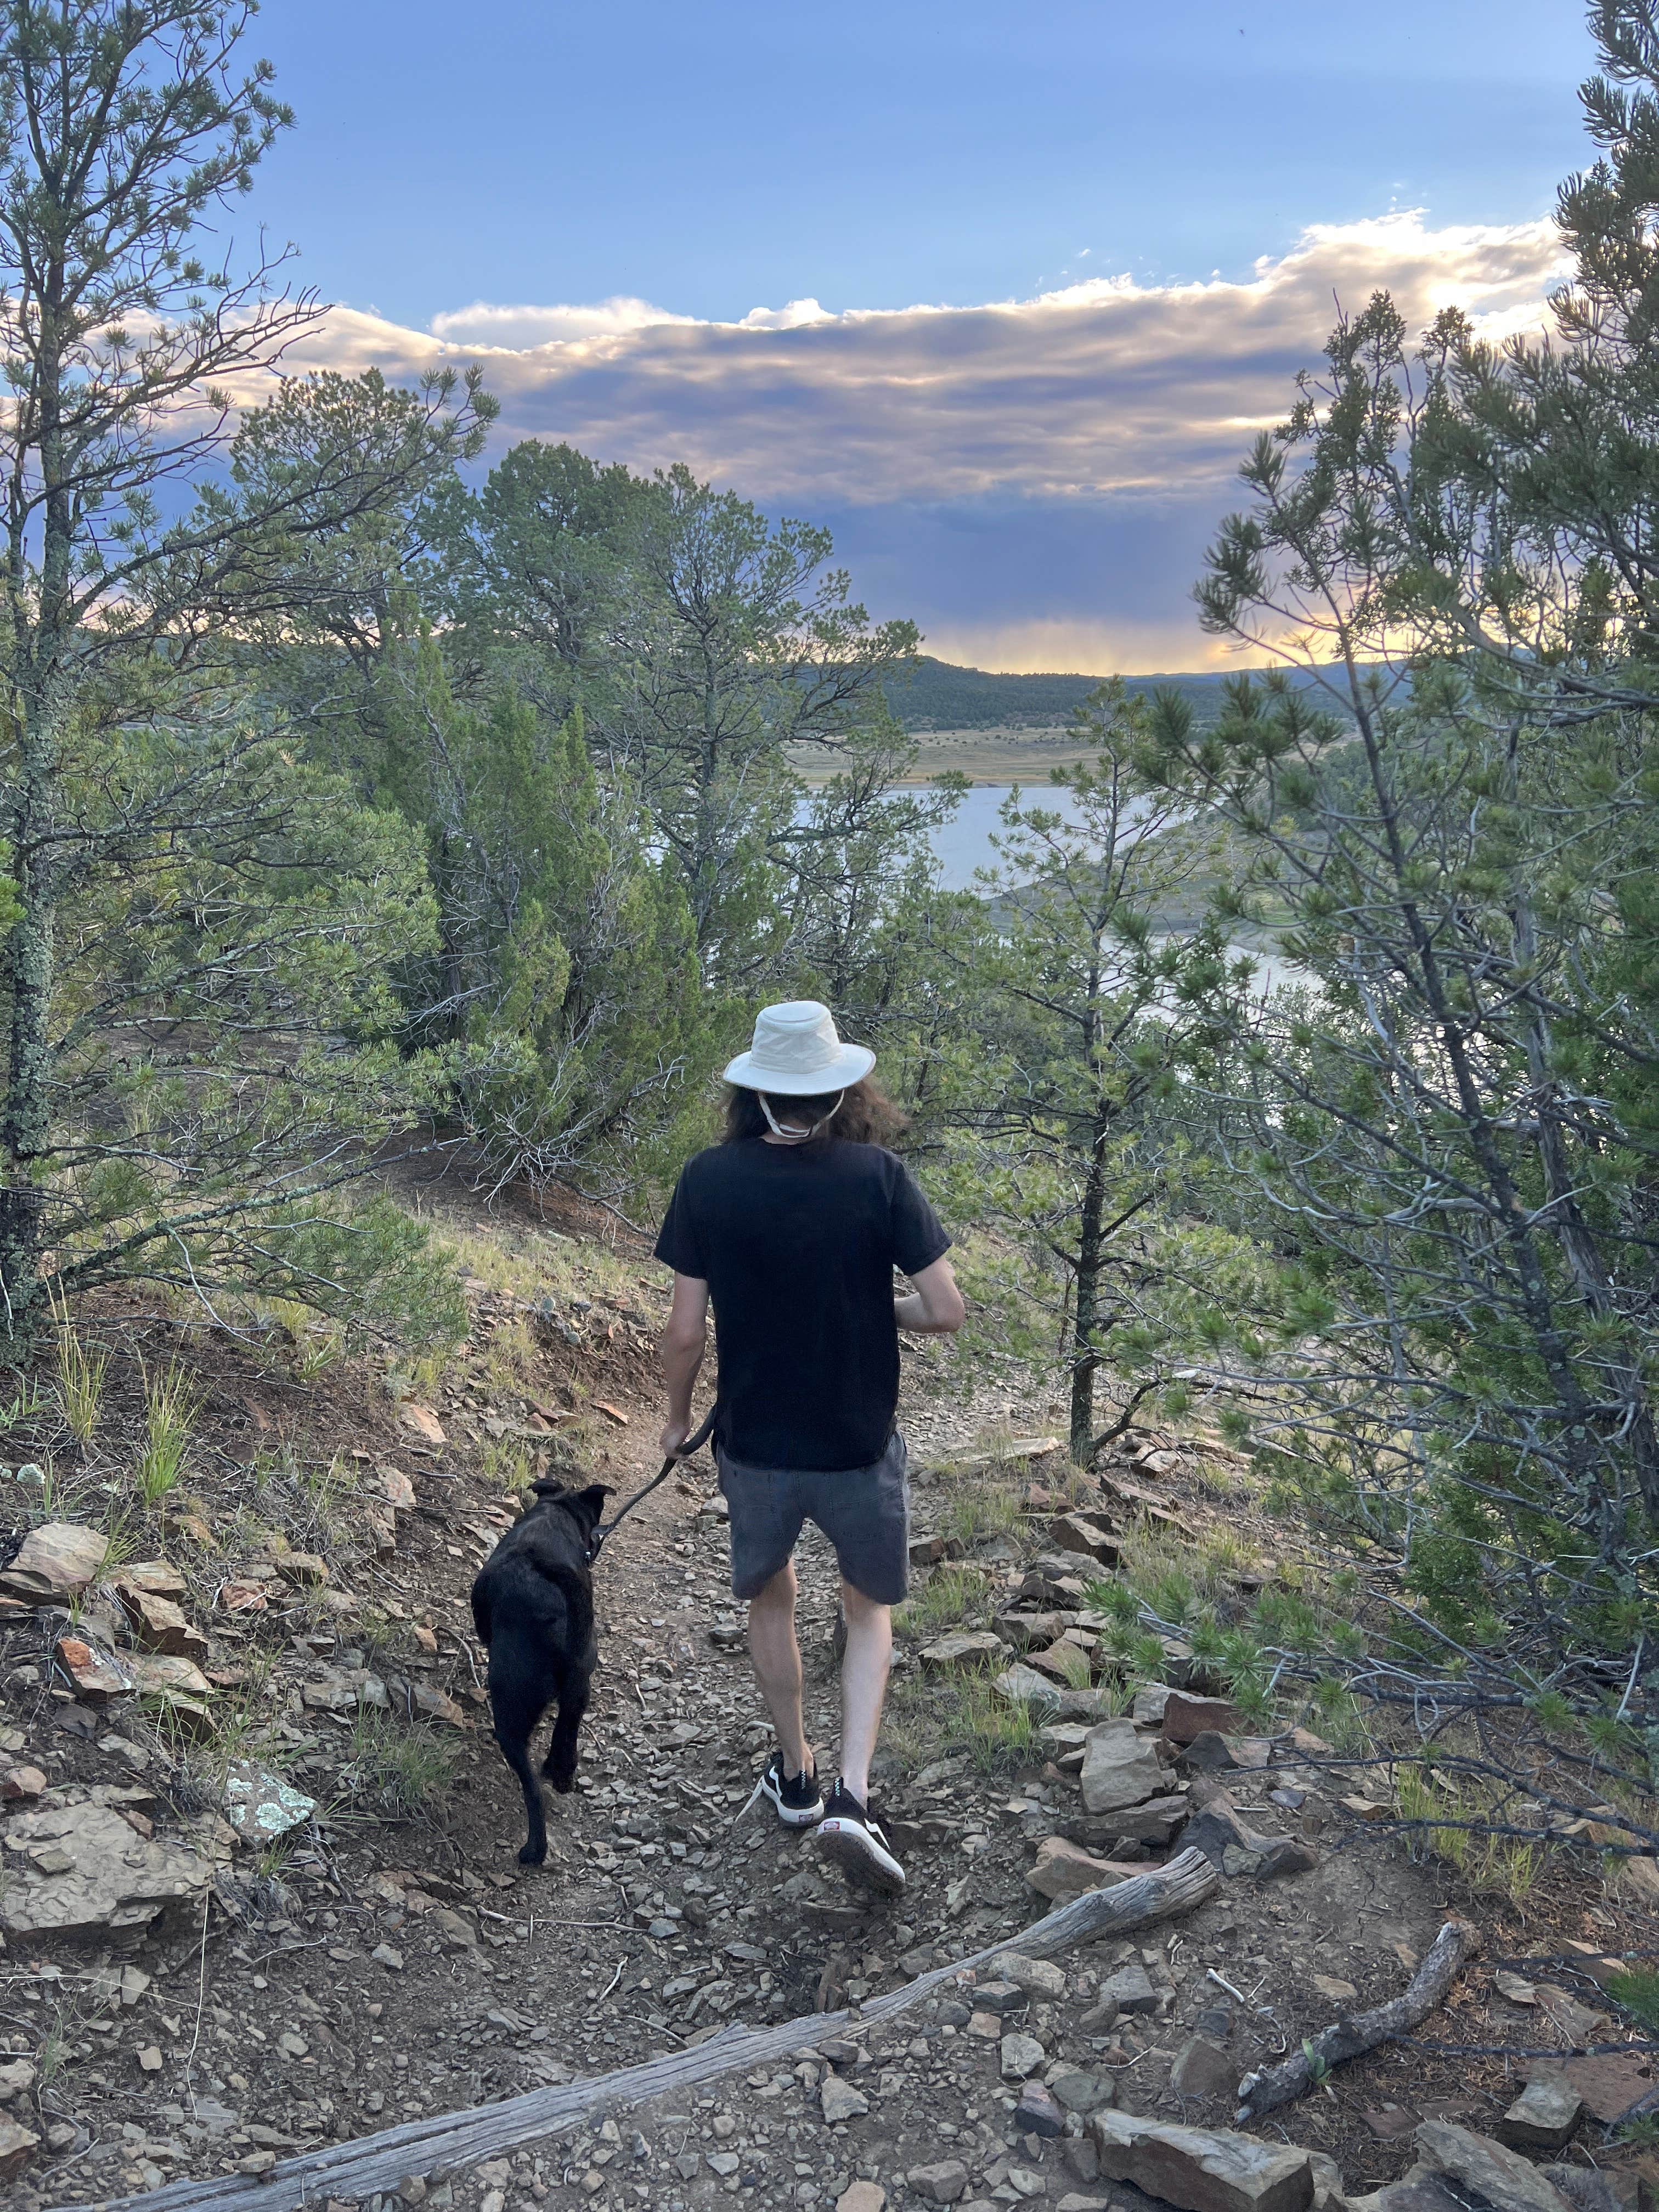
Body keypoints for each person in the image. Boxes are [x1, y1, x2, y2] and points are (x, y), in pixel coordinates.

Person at [654, 1000, 965, 1892]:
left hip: (753, 1443)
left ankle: (795, 1775)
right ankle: (853, 1801)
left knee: (772, 1597)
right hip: (859, 1443)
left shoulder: (707, 1180)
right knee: (868, 1611)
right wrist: (880, 1310)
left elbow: (683, 1333)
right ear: (841, 1092)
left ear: (754, 1094)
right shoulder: (879, 1177)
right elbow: (945, 1309)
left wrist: (677, 1423)